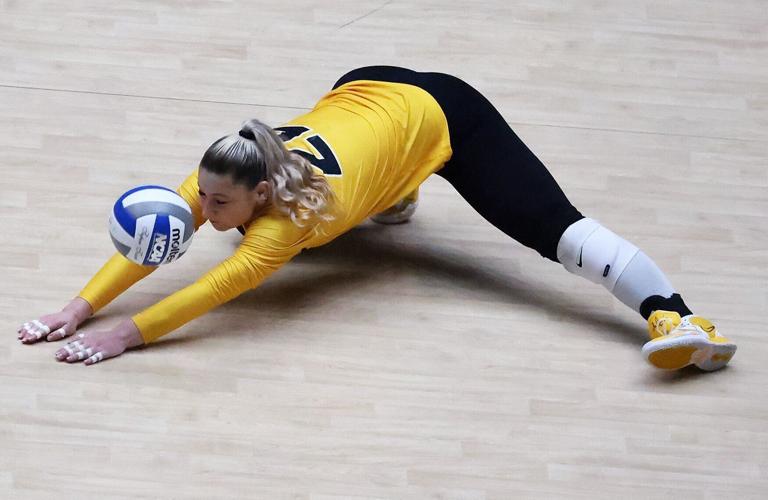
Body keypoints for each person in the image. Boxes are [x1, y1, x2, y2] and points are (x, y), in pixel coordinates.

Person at [16, 66, 736, 371]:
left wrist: (125, 334)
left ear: (262, 196)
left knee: (561, 236)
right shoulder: (228, 167)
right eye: (200, 197)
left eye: (217, 205)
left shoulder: (282, 228)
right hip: (364, 84)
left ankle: (679, 318)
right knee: (365, 193)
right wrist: (75, 307)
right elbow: (155, 246)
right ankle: (393, 193)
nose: (202, 213)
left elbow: (211, 291)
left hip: (448, 115)